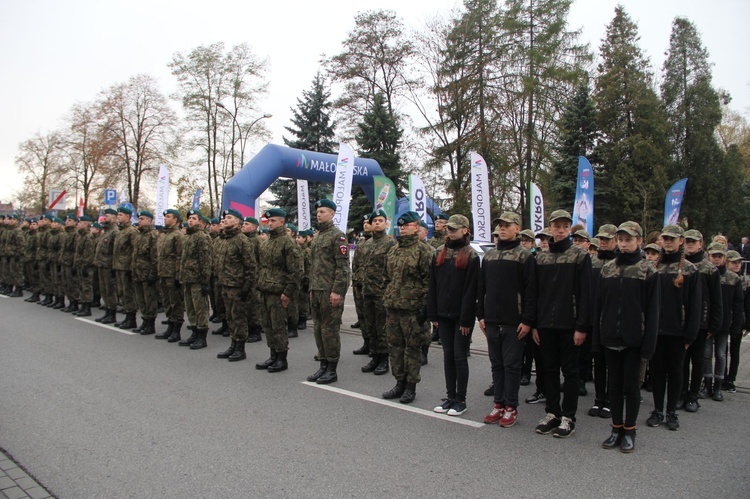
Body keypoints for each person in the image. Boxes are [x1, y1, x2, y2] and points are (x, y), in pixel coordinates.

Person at [593, 221, 660, 453]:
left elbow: (653, 312)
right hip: (610, 338)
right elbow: (599, 307)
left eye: (628, 239)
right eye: (620, 239)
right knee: (614, 385)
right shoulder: (607, 268)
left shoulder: (648, 271)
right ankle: (615, 428)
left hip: (635, 340)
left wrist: (648, 345)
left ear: (639, 241)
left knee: (631, 387)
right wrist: (597, 338)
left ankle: (629, 430)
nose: (623, 243)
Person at [533, 210, 592, 438]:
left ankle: (568, 417)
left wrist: (581, 327)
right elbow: (536, 294)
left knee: (570, 372)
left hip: (570, 325)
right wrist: (535, 324)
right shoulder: (541, 257)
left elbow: (586, 294)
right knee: (548, 370)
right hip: (546, 324)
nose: (560, 230)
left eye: (564, 226)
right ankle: (552, 412)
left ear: (569, 229)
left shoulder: (579, 256)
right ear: (550, 228)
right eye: (556, 226)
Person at [476, 212, 535, 427]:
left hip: (514, 321)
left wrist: (527, 320)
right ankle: (498, 404)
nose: (502, 229)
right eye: (499, 225)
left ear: (517, 228)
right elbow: (481, 288)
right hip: (491, 320)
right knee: (496, 364)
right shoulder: (490, 256)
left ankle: (511, 407)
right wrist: (481, 315)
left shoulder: (524, 256)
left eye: (506, 225)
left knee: (511, 366)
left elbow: (531, 291)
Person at [646, 225, 700, 431]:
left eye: (672, 239)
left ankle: (671, 412)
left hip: (678, 332)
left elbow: (695, 306)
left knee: (676, 372)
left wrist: (690, 335)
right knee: (657, 372)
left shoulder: (689, 270)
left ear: (680, 241)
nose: (668, 242)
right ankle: (658, 410)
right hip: (656, 331)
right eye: (665, 238)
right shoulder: (652, 267)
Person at [427, 213, 480, 417]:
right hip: (443, 314)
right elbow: (433, 284)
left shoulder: (471, 255)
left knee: (459, 356)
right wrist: (433, 313)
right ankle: (450, 397)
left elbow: (471, 290)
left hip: (461, 316)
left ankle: (461, 399)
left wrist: (467, 318)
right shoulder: (439, 252)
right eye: (448, 228)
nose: (450, 231)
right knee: (448, 356)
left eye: (454, 228)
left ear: (465, 230)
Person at [381, 211, 432, 404]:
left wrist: (425, 307)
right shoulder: (394, 250)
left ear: (416, 226)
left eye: (407, 225)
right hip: (394, 307)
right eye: (401, 225)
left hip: (413, 309)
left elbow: (429, 281)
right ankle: (399, 382)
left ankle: (411, 386)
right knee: (395, 347)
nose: (403, 228)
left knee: (412, 349)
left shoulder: (423, 250)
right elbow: (387, 278)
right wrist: (386, 297)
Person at [306, 199, 350, 384]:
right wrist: (311, 289)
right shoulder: (317, 237)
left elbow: (343, 267)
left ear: (332, 214)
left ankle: (332, 369)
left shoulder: (337, 236)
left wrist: (337, 291)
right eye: (317, 211)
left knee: (329, 330)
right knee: (318, 329)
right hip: (316, 290)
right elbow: (315, 266)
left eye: (323, 211)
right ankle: (323, 365)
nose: (319, 214)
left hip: (329, 291)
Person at [255, 208, 302, 373]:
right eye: (268, 221)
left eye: (273, 221)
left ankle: (282, 358)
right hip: (265, 290)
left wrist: (287, 292)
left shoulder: (288, 242)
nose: (270, 224)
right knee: (267, 325)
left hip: (278, 292)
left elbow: (296, 271)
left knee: (278, 326)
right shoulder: (267, 242)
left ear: (282, 222)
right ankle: (273, 355)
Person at [681, 230, 722, 413]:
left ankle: (692, 396)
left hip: (701, 323)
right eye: (687, 241)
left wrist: (713, 325)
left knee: (698, 361)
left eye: (693, 242)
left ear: (701, 244)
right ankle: (681, 393)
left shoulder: (709, 269)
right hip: (682, 321)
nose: (689, 244)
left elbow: (716, 300)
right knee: (681, 362)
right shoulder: (680, 266)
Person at [703, 242, 743, 402]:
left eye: (720, 256)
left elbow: (738, 305)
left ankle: (718, 385)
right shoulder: (705, 274)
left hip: (724, 323)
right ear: (709, 256)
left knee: (720, 354)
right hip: (707, 322)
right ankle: (706, 384)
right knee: (706, 354)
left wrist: (737, 325)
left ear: (725, 258)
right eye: (714, 256)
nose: (716, 259)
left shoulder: (733, 279)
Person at [215, 209, 257, 360]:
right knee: (230, 316)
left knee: (238, 317)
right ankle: (233, 344)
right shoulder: (226, 240)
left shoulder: (242, 240)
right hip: (225, 284)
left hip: (237, 286)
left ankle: (240, 348)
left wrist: (246, 288)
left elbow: (251, 267)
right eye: (225, 218)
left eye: (229, 217)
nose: (225, 220)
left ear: (238, 221)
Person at [587, 224, 619, 418]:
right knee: (598, 362)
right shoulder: (591, 262)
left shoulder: (619, 262)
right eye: (601, 239)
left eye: (608, 239)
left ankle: (610, 400)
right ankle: (599, 399)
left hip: (613, 320)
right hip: (594, 319)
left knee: (612, 365)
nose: (604, 242)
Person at [360, 209, 395, 376]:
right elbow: (362, 267)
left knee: (382, 328)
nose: (378, 223)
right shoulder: (366, 244)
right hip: (367, 291)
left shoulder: (390, 244)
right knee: (370, 326)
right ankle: (374, 356)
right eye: (375, 221)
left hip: (382, 292)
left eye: (381, 220)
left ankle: (383, 359)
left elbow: (393, 270)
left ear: (386, 223)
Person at [178, 210, 212, 348]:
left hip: (198, 279)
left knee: (200, 308)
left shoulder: (201, 237)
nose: (190, 220)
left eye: (194, 218)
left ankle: (202, 337)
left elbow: (206, 261)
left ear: (200, 221)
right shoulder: (187, 237)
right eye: (189, 218)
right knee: (190, 308)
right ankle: (194, 332)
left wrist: (205, 281)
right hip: (187, 278)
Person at [155, 209, 185, 341]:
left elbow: (180, 257)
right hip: (163, 273)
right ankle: (170, 325)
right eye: (165, 217)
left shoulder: (178, 236)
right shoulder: (164, 235)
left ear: (175, 220)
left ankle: (176, 330)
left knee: (175, 302)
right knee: (167, 301)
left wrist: (178, 275)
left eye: (168, 217)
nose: (165, 219)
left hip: (173, 275)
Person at [130, 210, 159, 335]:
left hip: (147, 273)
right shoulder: (138, 235)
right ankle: (144, 320)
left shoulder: (153, 235)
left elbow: (154, 257)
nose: (139, 221)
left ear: (149, 220)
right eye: (139, 219)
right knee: (141, 299)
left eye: (142, 219)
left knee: (149, 299)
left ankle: (150, 324)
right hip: (138, 272)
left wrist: (153, 273)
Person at [725, 250, 749, 392]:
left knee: (735, 350)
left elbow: (747, 303)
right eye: (734, 262)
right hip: (725, 319)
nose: (737, 265)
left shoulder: (744, 281)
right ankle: (719, 376)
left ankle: (731, 378)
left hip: (738, 320)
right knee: (722, 351)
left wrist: (747, 324)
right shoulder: (722, 278)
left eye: (739, 262)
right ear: (727, 263)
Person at [112, 206, 138, 330]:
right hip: (119, 266)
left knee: (128, 293)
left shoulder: (131, 232)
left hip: (127, 267)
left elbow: (134, 251)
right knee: (122, 292)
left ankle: (131, 318)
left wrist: (131, 268)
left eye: (121, 215)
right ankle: (127, 316)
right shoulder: (120, 231)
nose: (118, 217)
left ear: (128, 217)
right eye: (118, 215)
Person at [93, 209, 119, 324]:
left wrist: (114, 267)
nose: (104, 218)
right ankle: (107, 311)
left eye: (107, 216)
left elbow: (115, 252)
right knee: (104, 289)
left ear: (113, 218)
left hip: (109, 265)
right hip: (101, 264)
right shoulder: (106, 231)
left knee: (110, 290)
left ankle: (112, 313)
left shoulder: (114, 232)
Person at [241, 216, 263, 343]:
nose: (243, 226)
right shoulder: (244, 240)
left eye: (247, 224)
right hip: (245, 277)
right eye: (243, 224)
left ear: (254, 227)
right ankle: (248, 328)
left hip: (254, 278)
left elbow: (260, 260)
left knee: (254, 306)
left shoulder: (256, 241)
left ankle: (256, 330)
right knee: (246, 305)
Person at [351, 217, 372, 334]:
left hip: (372, 285)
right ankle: (366, 341)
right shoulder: (361, 243)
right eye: (364, 223)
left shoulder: (379, 242)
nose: (365, 225)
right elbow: (356, 263)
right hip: (359, 283)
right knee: (361, 312)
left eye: (368, 223)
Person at [73, 216, 95, 317]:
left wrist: (86, 266)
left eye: (81, 223)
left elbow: (88, 253)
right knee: (81, 285)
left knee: (86, 287)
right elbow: (78, 253)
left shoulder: (88, 236)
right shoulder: (80, 236)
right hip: (80, 265)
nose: (79, 224)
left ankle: (87, 307)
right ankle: (83, 305)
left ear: (86, 224)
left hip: (86, 266)